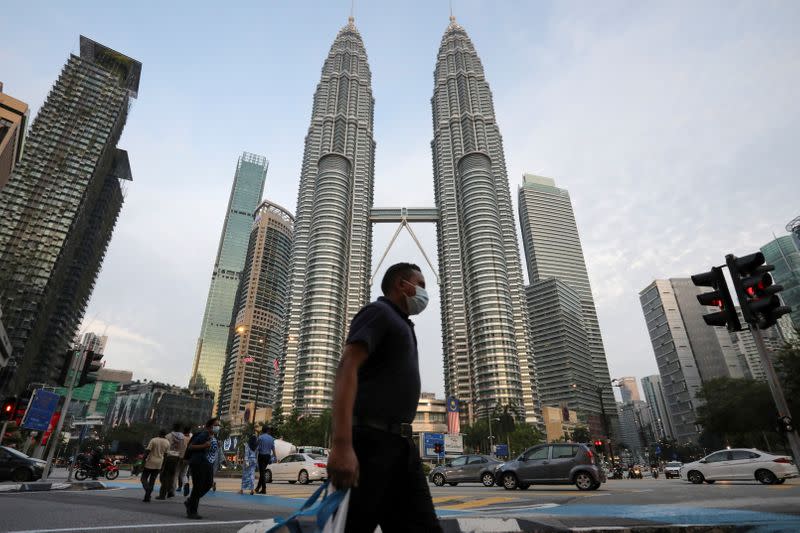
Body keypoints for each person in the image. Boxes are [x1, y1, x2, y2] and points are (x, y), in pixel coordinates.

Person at [327, 262, 441, 532]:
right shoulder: (379, 313)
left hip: (402, 448)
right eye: (420, 285)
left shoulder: (404, 325)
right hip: (369, 446)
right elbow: (347, 368)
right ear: (402, 285)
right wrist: (342, 445)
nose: (424, 292)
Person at [184, 417, 220, 519]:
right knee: (198, 487)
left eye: (218, 425)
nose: (218, 427)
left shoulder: (212, 437)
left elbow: (211, 450)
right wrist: (204, 445)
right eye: (216, 425)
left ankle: (190, 501)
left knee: (208, 484)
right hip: (198, 462)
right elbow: (191, 446)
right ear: (209, 427)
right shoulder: (203, 434)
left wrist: (217, 445)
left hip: (207, 464)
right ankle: (192, 511)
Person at [156, 423, 185, 499]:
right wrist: (181, 458)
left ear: (173, 427)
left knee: (164, 476)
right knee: (172, 475)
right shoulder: (183, 438)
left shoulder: (168, 436)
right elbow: (183, 448)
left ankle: (162, 495)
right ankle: (170, 491)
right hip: (177, 458)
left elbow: (164, 447)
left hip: (168, 457)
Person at [142, 429, 170, 502]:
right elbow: (166, 455)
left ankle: (147, 489)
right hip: (159, 463)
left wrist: (143, 460)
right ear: (165, 435)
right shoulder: (167, 442)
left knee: (143, 478)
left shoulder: (153, 440)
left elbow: (148, 450)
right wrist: (163, 466)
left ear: (159, 433)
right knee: (152, 480)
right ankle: (147, 497)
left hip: (150, 462)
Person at [254, 425, 276, 494]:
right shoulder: (271, 438)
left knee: (262, 473)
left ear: (262, 431)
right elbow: (273, 448)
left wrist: (255, 457)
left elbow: (257, 448)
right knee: (262, 472)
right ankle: (258, 488)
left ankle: (264, 489)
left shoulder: (260, 437)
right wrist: (275, 457)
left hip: (261, 456)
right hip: (268, 457)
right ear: (267, 431)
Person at [176, 425, 192, 495]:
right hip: (188, 458)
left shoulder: (181, 438)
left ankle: (177, 487)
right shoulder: (191, 439)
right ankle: (186, 483)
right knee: (184, 474)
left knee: (177, 473)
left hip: (180, 457)